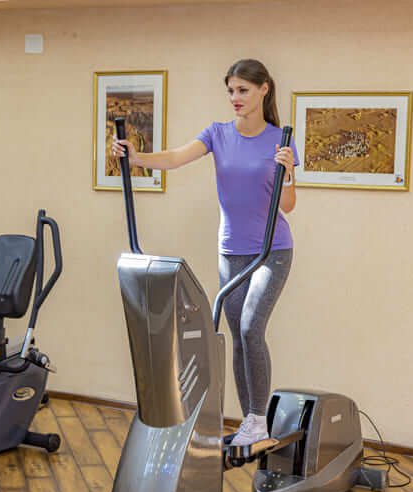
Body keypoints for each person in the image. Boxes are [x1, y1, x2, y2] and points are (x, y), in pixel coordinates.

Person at [111, 58, 299, 445]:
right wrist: (136, 157)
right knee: (237, 336)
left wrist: (288, 173)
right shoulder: (218, 133)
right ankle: (250, 422)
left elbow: (288, 205)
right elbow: (176, 157)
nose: (235, 97)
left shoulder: (280, 141)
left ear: (264, 89)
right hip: (231, 251)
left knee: (251, 327)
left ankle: (258, 418)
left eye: (243, 90)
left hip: (272, 249)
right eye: (230, 91)